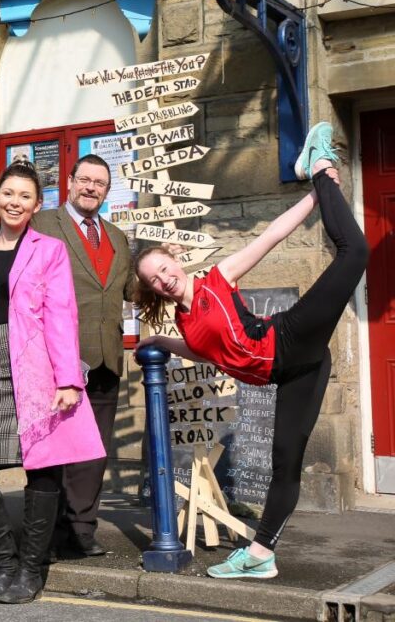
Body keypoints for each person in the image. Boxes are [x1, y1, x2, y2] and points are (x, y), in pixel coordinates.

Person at [133, 123, 367, 579]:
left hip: (289, 337)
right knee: (286, 464)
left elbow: (271, 236)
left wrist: (316, 194)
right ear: (153, 289)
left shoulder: (217, 279)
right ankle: (261, 556)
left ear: (175, 258)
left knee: (354, 252)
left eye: (164, 268)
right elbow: (206, 353)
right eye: (154, 280)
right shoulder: (184, 322)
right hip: (294, 371)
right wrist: (161, 341)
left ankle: (318, 163)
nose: (163, 279)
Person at [0, 163, 105, 604]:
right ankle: (5, 565)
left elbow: (62, 314)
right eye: (9, 194)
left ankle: (30, 571)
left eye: (25, 196)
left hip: (35, 364)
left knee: (42, 467)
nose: (15, 202)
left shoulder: (49, 250)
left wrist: (68, 379)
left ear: (37, 205)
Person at [33, 154, 134, 558]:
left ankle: (81, 531)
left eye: (100, 183)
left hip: (106, 358)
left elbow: (129, 291)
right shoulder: (42, 225)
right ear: (70, 182)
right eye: (85, 180)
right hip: (58, 361)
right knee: (56, 450)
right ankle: (47, 534)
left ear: (107, 191)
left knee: (93, 452)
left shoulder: (117, 237)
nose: (92, 188)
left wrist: (164, 265)